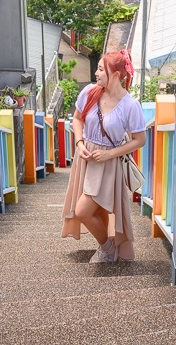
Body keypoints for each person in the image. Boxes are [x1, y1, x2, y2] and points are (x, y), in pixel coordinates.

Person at [61, 49, 147, 262]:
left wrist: (110, 155)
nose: (96, 73)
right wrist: (80, 143)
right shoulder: (91, 92)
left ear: (116, 75)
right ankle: (108, 247)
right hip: (87, 157)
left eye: (101, 69)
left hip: (108, 163)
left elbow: (140, 140)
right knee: (94, 210)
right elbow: (78, 118)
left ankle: (107, 248)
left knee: (83, 210)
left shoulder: (130, 105)